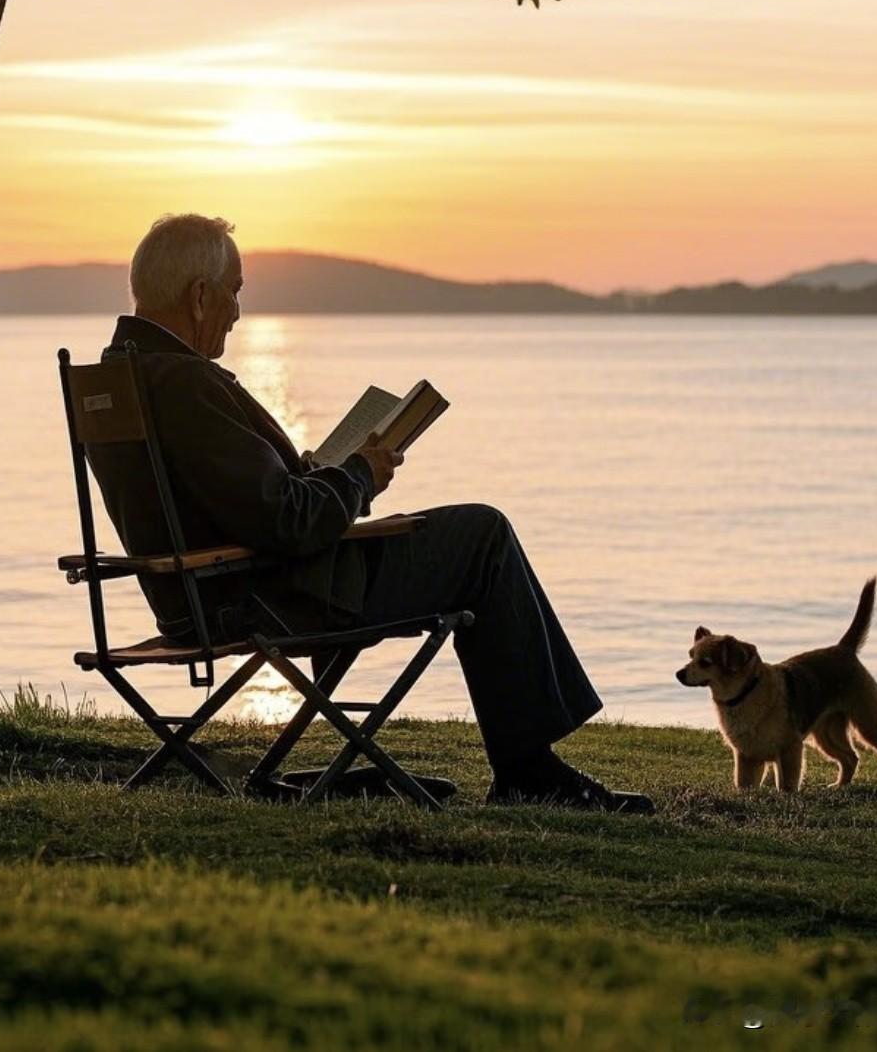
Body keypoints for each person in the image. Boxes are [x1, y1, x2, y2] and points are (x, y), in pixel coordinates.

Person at [90, 213, 654, 814]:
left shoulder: (121, 374)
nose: (236, 310)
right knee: (482, 533)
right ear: (200, 296)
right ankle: (527, 768)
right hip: (271, 594)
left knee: (465, 534)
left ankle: (513, 763)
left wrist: (317, 475)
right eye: (234, 291)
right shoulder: (185, 384)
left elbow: (236, 501)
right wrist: (358, 474)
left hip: (202, 597)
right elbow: (286, 523)